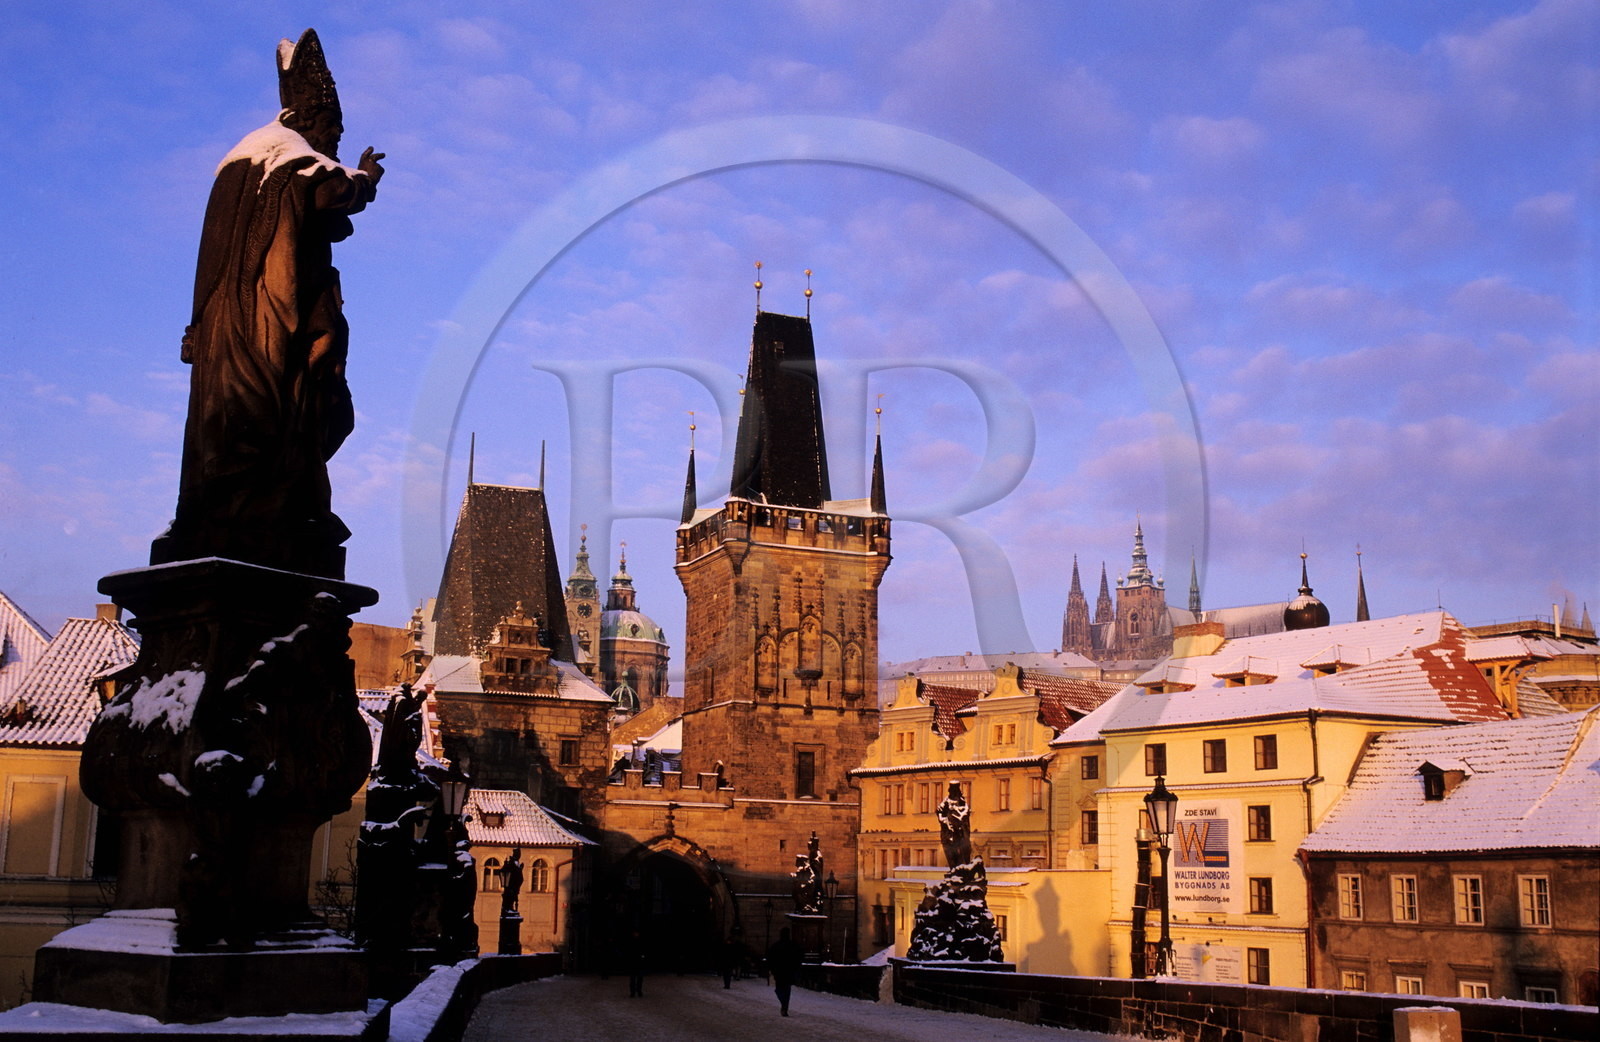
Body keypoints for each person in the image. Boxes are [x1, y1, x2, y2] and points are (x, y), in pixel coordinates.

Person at [155, 28, 384, 579]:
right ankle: (267, 512)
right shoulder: (284, 160)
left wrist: (195, 326)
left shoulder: (237, 169)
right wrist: (366, 179)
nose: (333, 138)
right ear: (304, 121)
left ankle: (249, 508)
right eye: (332, 127)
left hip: (227, 323)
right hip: (266, 326)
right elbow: (330, 191)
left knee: (243, 424)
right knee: (272, 416)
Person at [765, 926, 803, 1016]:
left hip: (780, 971)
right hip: (788, 971)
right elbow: (799, 956)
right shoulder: (793, 945)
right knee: (785, 990)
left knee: (780, 989)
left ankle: (784, 1006)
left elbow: (770, 958)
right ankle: (784, 1006)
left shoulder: (777, 946)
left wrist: (771, 968)